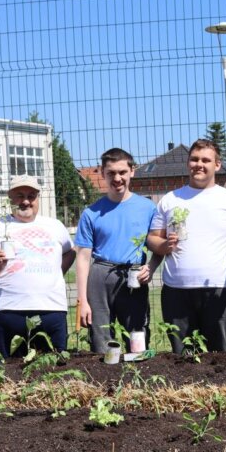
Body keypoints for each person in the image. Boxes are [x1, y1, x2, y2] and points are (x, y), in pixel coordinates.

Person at [149, 139, 226, 353]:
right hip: (177, 291)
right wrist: (164, 245)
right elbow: (153, 238)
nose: (199, 164)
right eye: (194, 159)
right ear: (188, 163)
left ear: (217, 165)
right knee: (183, 358)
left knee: (222, 356)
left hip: (221, 288)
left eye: (205, 160)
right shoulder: (170, 199)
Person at [0, 175, 75, 359]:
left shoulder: (54, 226)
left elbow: (70, 252)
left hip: (51, 309)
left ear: (38, 198)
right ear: (10, 198)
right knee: (8, 370)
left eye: (31, 195)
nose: (26, 201)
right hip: (6, 310)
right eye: (20, 196)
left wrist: (56, 272)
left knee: (55, 367)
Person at [75, 148, 158, 353]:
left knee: (136, 333)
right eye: (111, 173)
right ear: (103, 173)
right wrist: (83, 300)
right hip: (100, 275)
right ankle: (104, 379)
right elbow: (83, 258)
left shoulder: (147, 208)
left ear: (132, 171)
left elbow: (158, 245)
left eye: (122, 172)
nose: (117, 178)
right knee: (100, 335)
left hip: (133, 275)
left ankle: (137, 376)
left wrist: (151, 267)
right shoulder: (91, 212)